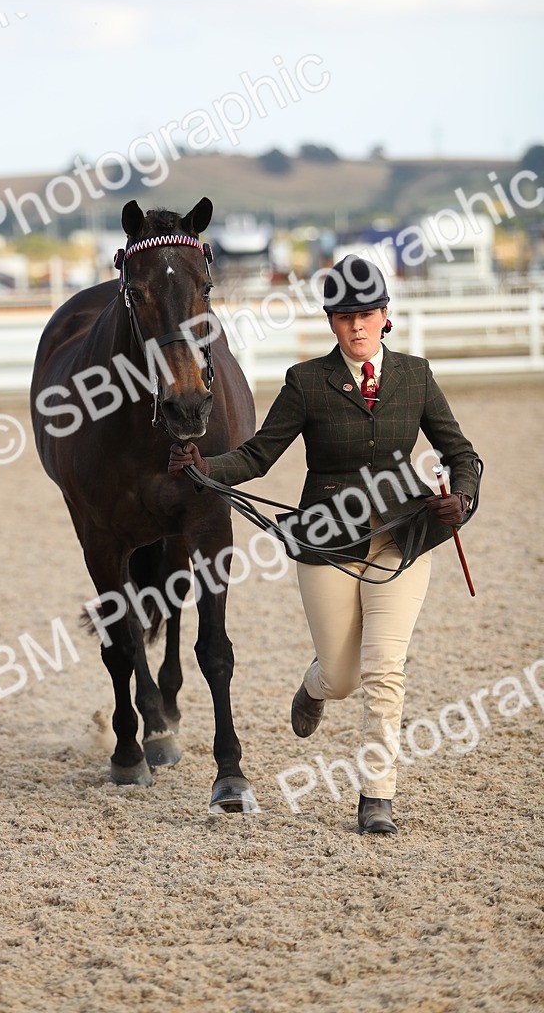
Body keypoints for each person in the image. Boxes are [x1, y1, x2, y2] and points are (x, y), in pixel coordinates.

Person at [168, 255, 481, 835]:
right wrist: (203, 465)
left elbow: (461, 455)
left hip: (403, 540)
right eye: (344, 316)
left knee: (385, 670)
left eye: (366, 314)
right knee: (342, 677)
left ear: (385, 316)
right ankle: (314, 686)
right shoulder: (306, 382)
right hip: (328, 543)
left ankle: (377, 797)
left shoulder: (415, 375)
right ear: (331, 322)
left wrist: (460, 498)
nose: (356, 326)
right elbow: (258, 455)